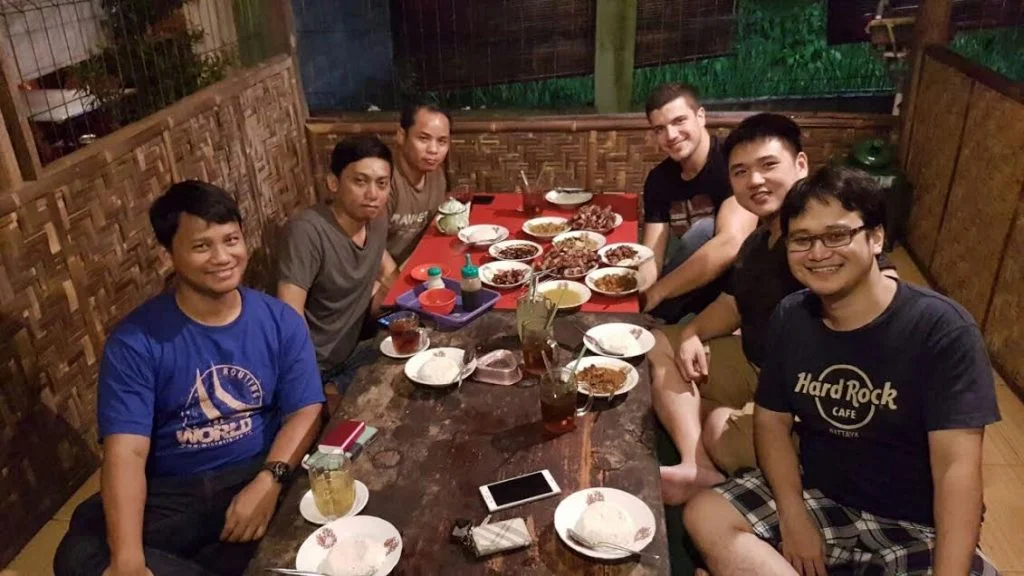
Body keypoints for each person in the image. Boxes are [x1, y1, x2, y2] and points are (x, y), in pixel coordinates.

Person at [683, 165, 1001, 576]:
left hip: (915, 526)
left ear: (876, 237)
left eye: (836, 235)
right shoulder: (792, 316)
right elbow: (772, 423)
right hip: (822, 497)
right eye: (802, 240)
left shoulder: (941, 330)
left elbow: (958, 471)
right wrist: (794, 517)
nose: (818, 253)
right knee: (705, 513)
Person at [54, 181, 325, 576]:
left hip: (255, 468)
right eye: (202, 246)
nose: (222, 257)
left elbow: (306, 409)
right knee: (80, 553)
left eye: (231, 240)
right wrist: (128, 562)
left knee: (330, 509)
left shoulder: (279, 320)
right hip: (175, 491)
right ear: (167, 255)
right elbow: (126, 453)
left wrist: (270, 480)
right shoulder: (136, 341)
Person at [650, 114, 897, 504]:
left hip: (809, 394)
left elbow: (883, 289)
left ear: (800, 164)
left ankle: (737, 451)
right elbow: (732, 304)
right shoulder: (758, 240)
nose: (755, 181)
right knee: (656, 346)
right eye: (741, 172)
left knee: (714, 423)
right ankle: (696, 465)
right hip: (755, 361)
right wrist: (693, 333)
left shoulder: (823, 239)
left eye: (768, 165)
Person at [277, 135, 398, 395]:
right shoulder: (307, 231)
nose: (373, 194)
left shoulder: (376, 217)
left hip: (357, 351)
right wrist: (309, 386)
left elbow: (388, 270)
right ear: (333, 182)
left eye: (381, 183)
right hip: (316, 367)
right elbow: (289, 315)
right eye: (360, 181)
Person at [639, 83, 758, 323]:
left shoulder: (732, 163)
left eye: (679, 121)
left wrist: (658, 292)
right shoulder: (658, 179)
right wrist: (639, 296)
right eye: (660, 129)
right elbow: (652, 255)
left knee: (704, 230)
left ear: (701, 116)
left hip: (739, 286)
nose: (671, 135)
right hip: (689, 286)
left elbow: (731, 242)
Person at [386, 99, 451, 265]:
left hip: (418, 263)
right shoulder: (384, 180)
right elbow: (369, 246)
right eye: (423, 139)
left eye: (442, 141)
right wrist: (395, 278)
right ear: (401, 136)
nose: (433, 150)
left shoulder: (436, 175)